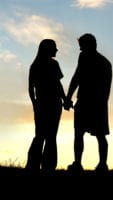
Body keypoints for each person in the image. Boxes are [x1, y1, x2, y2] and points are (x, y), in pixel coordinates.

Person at [64, 33, 112, 174]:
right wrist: (68, 97)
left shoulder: (101, 62)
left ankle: (100, 164)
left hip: (93, 103)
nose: (80, 50)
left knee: (94, 135)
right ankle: (84, 164)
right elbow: (76, 78)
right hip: (91, 102)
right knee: (87, 134)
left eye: (82, 47)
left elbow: (76, 78)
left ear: (89, 45)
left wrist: (68, 98)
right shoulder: (99, 61)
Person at [26, 39, 67, 173]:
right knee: (50, 136)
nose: (56, 50)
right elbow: (58, 85)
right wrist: (65, 99)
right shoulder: (53, 64)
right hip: (52, 104)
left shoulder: (35, 65)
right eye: (54, 48)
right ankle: (48, 167)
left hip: (43, 103)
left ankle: (33, 165)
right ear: (48, 49)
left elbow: (31, 89)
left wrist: (34, 104)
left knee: (40, 135)